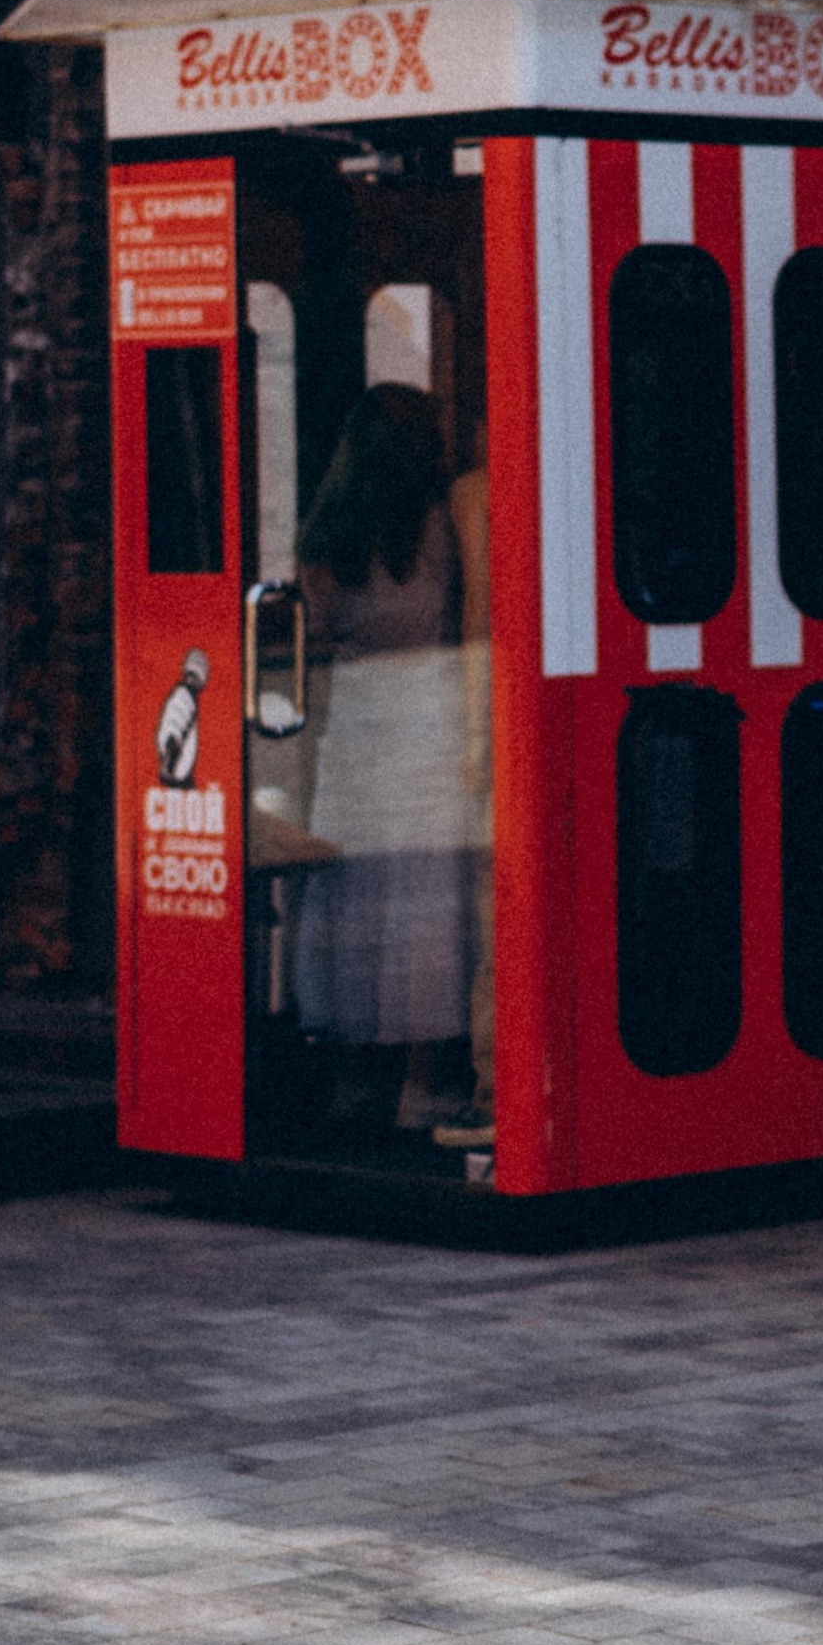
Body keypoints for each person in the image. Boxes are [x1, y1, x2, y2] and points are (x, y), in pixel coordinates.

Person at [291, 382, 484, 1133]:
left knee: (357, 895)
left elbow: (319, 627)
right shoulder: (441, 524)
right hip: (431, 711)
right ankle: (420, 1080)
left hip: (359, 718)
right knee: (426, 903)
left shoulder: (328, 535)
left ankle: (351, 1076)